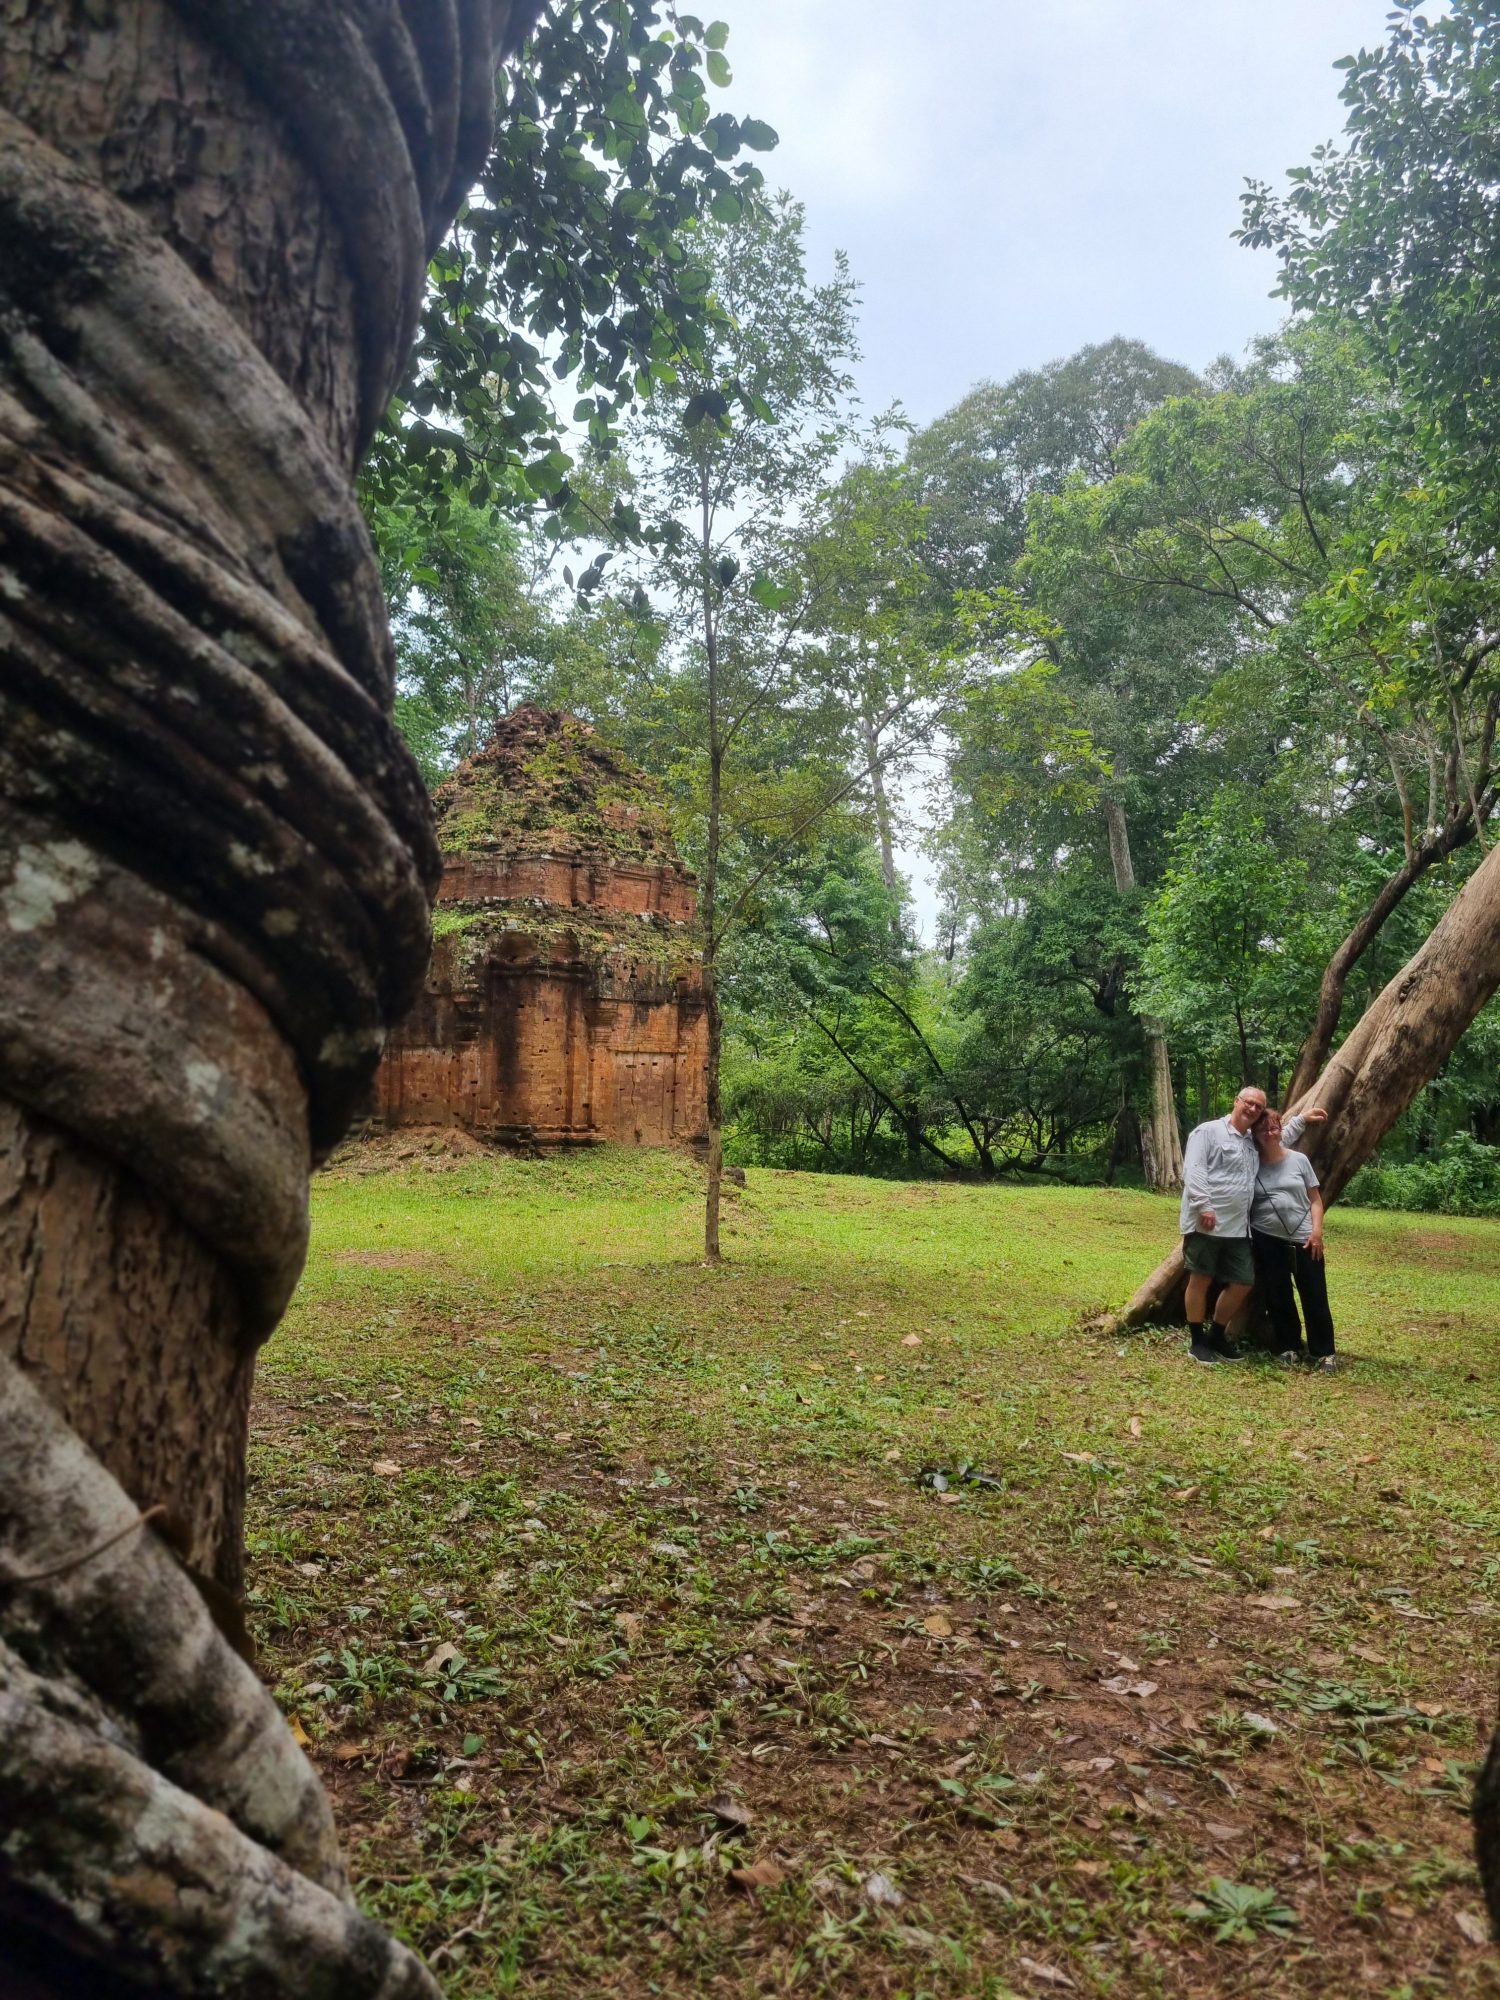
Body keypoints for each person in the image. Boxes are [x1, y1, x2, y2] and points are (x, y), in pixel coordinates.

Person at [1178, 1089, 1318, 1366]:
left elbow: (1276, 1139)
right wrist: (1204, 1205)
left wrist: (1301, 1119)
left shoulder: (1251, 1141)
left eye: (1259, 1106)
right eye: (1249, 1102)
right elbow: (1193, 1170)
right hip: (1206, 1222)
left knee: (1243, 1281)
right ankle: (1197, 1341)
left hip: (1239, 1228)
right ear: (1236, 1102)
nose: (1253, 1108)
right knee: (1201, 1279)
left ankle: (1217, 1335)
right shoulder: (1207, 1132)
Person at [1250, 1109, 1336, 1370]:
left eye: (1275, 1127)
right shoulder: (1251, 1163)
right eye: (1263, 1129)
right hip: (1266, 1238)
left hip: (1305, 1238)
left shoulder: (1299, 1160)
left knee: (1315, 1293)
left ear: (1281, 1129)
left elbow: (1315, 1200)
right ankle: (1289, 1346)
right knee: (1278, 1294)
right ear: (1254, 1134)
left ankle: (1324, 1352)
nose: (1270, 1132)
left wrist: (1317, 1231)